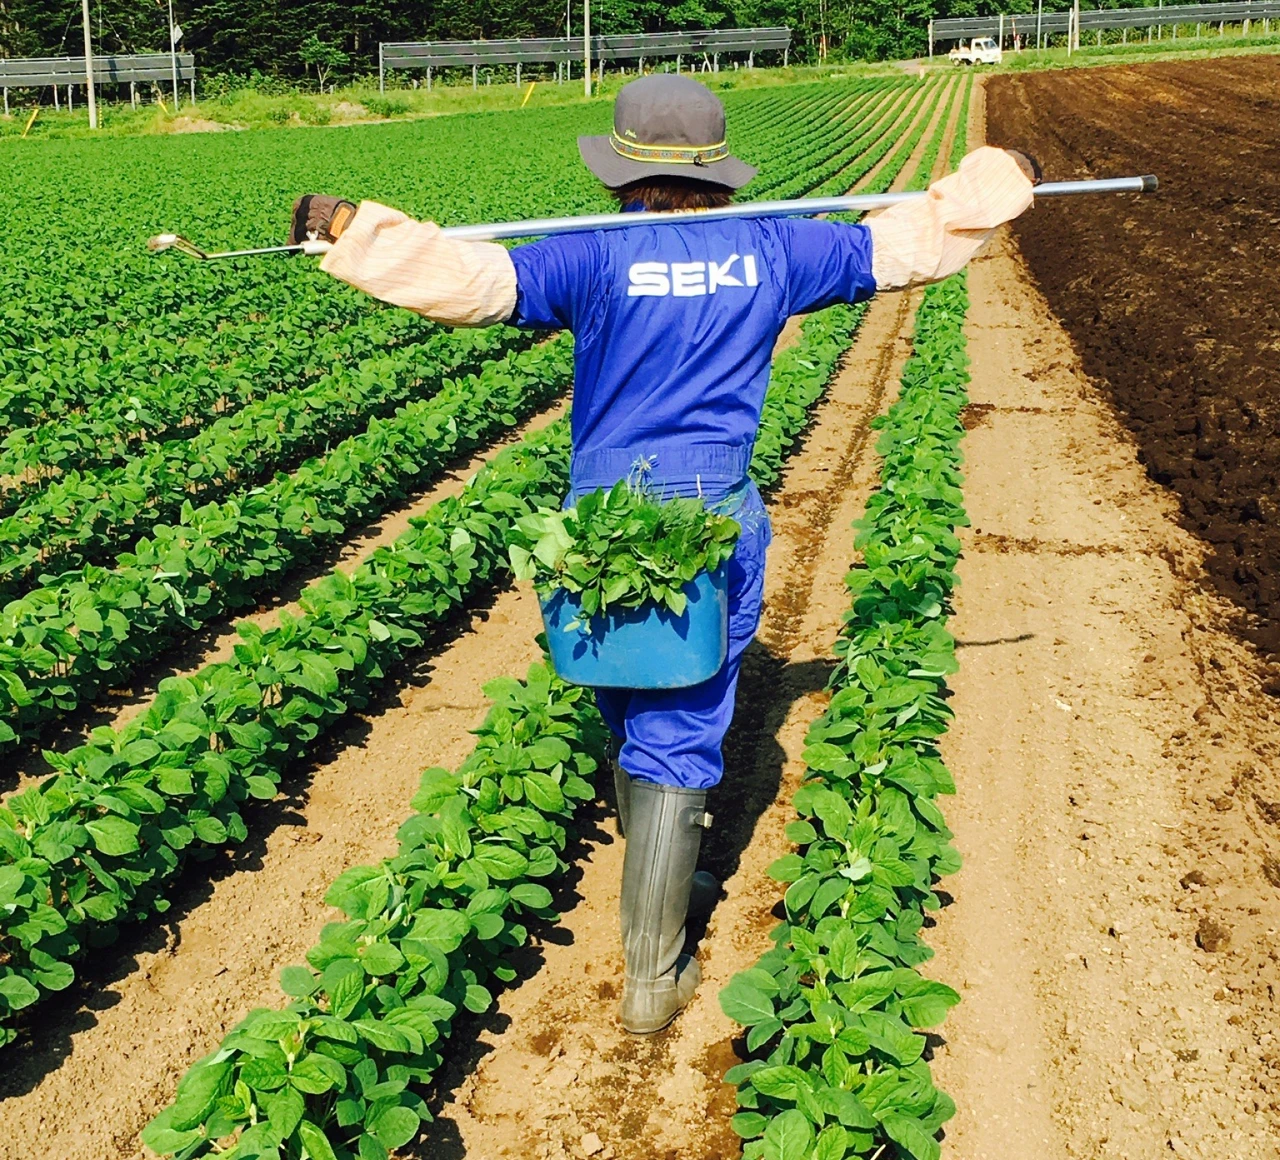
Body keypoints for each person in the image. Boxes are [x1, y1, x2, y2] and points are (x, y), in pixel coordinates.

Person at [290, 75, 1038, 1035]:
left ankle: (658, 891)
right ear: (719, 175)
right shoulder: (777, 243)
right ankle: (654, 973)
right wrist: (1000, 176)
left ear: (622, 168)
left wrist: (352, 231)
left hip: (597, 523)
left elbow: (474, 285)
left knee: (624, 694)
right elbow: (908, 245)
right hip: (707, 509)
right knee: (682, 722)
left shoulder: (595, 253)